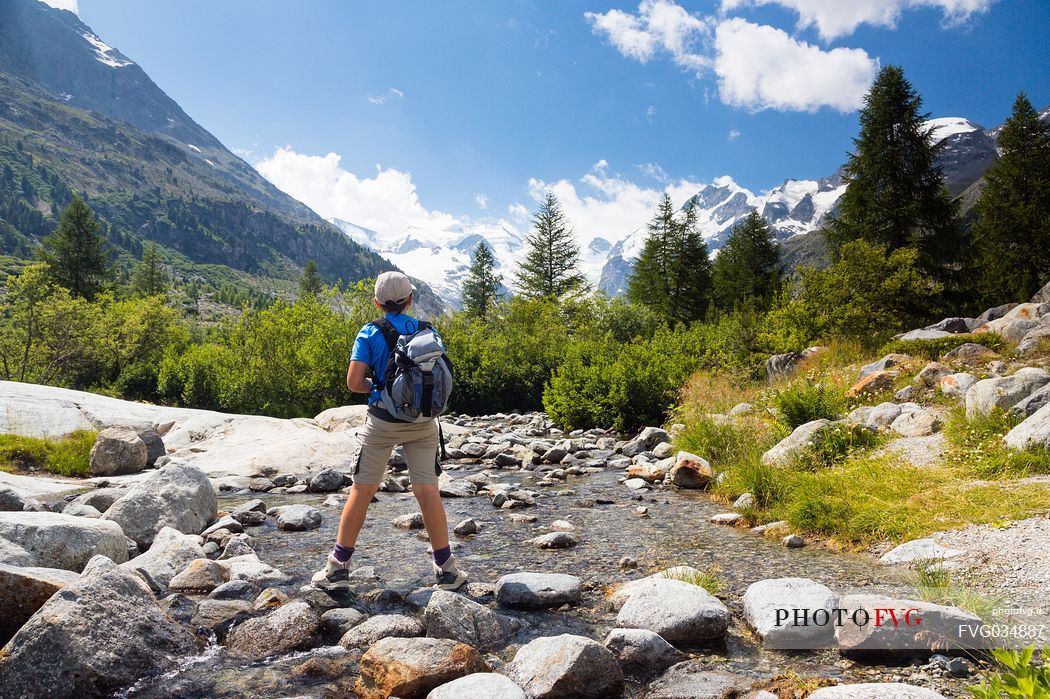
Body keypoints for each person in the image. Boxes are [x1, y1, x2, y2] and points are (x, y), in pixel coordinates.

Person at [311, 271, 468, 591]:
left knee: (363, 490)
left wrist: (381, 388)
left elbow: (354, 383)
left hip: (382, 422)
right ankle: (447, 569)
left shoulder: (369, 332)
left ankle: (338, 569)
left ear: (377, 302)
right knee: (428, 492)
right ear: (410, 300)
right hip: (423, 423)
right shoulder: (427, 329)